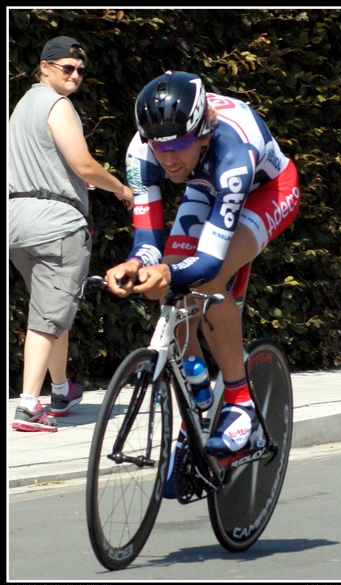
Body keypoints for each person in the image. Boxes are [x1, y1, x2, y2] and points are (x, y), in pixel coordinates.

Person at [105, 70, 300, 461]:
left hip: (268, 189)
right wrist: (135, 263)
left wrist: (169, 272)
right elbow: (148, 242)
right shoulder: (140, 151)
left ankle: (240, 401)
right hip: (204, 185)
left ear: (203, 133)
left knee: (207, 282)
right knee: (170, 289)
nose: (168, 157)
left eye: (178, 144)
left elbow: (208, 263)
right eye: (159, 147)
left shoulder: (232, 153)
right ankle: (194, 379)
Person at [9, 36, 133, 432]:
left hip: (17, 222)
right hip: (57, 226)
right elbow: (83, 164)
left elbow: (44, 162)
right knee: (48, 315)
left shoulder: (22, 106)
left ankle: (61, 390)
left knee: (53, 308)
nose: (76, 76)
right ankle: (30, 404)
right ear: (44, 66)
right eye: (67, 68)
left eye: (80, 70)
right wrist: (120, 188)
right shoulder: (57, 105)